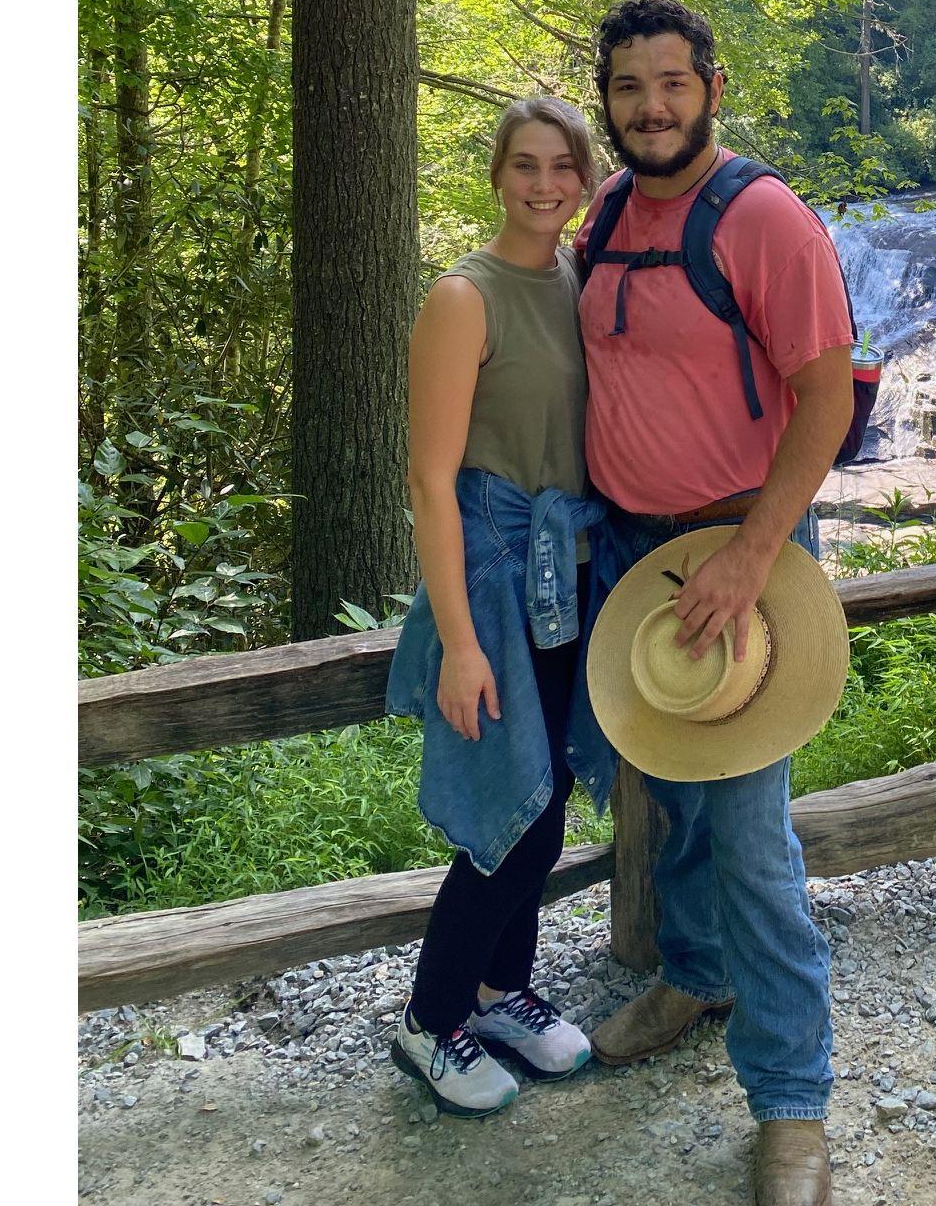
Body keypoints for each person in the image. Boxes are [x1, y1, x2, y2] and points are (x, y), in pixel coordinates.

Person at [578, 0, 855, 1206]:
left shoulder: (763, 220)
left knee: (747, 834)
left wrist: (752, 550)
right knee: (670, 796)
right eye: (631, 87)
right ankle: (692, 976)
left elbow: (829, 398)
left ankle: (792, 1102)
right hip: (633, 551)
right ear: (609, 100)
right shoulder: (602, 218)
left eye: (672, 84)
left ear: (712, 87)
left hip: (741, 546)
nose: (652, 107)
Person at [382, 96, 616, 1117]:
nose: (544, 184)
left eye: (562, 166)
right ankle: (429, 1023)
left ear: (585, 177)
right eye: (525, 165)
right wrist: (463, 645)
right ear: (497, 175)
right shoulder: (461, 298)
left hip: (567, 567)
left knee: (550, 795)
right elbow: (431, 482)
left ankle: (496, 989)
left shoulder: (576, 276)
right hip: (490, 572)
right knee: (503, 808)